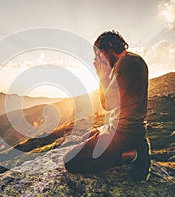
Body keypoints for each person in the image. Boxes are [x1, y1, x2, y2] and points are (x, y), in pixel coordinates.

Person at [63, 30, 151, 181]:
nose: (97, 59)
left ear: (109, 47)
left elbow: (108, 104)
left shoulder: (127, 63)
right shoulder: (130, 61)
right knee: (88, 136)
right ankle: (133, 145)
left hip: (124, 133)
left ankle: (134, 154)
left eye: (98, 54)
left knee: (70, 161)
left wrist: (102, 75)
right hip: (125, 128)